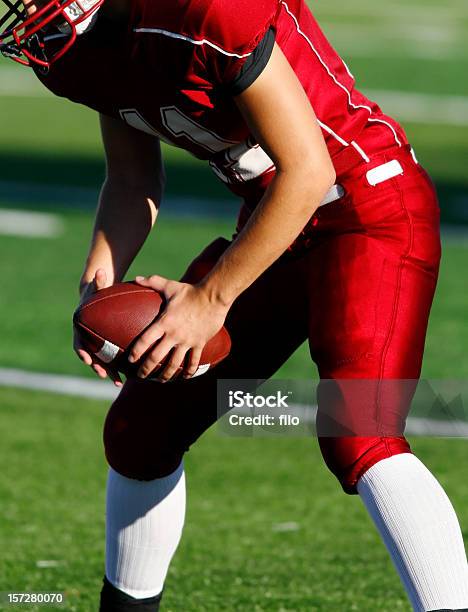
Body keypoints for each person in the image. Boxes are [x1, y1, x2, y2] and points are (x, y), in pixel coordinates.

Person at [2, 0, 468, 609]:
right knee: (142, 430)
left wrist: (211, 299)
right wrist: (98, 283)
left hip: (368, 209)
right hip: (276, 226)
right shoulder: (79, 49)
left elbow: (308, 170)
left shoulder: (210, 8)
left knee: (361, 430)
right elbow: (132, 177)